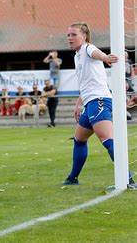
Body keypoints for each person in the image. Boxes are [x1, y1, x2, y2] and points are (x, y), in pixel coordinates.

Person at [63, 22, 135, 187]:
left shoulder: (88, 48)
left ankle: (128, 180)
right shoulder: (77, 56)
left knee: (107, 139)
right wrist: (78, 104)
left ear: (84, 36)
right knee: (79, 139)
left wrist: (105, 58)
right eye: (68, 35)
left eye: (74, 34)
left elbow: (96, 53)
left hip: (100, 100)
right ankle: (73, 178)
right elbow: (85, 83)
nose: (70, 38)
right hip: (90, 103)